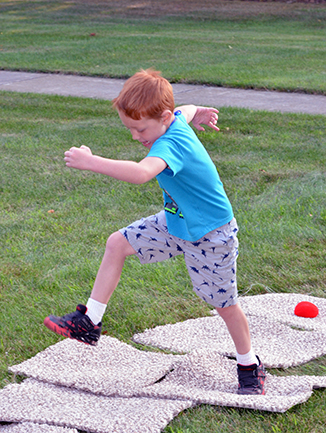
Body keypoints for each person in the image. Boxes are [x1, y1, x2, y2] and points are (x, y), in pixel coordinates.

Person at [44, 69, 266, 395]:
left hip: (211, 235)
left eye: (140, 129)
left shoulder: (171, 143)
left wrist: (91, 162)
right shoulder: (172, 119)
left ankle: (249, 364)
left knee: (224, 304)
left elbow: (140, 173)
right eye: (130, 129)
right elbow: (184, 111)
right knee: (117, 243)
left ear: (162, 118)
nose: (135, 136)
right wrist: (199, 111)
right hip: (176, 223)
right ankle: (90, 321)